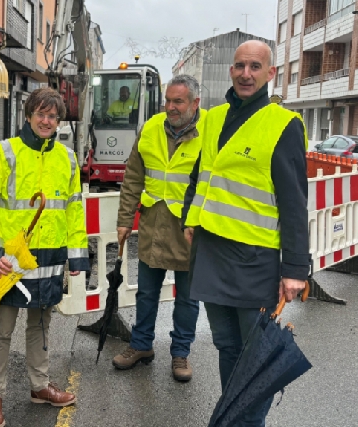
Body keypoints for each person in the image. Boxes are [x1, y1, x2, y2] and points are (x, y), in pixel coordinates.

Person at [182, 40, 309, 426]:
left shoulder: (284, 125)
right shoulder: (214, 118)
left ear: (271, 74)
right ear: (231, 70)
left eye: (255, 66)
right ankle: (232, 415)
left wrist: (295, 269)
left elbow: (294, 202)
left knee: (255, 358)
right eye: (239, 66)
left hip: (256, 261)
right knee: (226, 347)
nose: (246, 74)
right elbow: (200, 174)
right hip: (212, 252)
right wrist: (190, 216)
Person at [0, 87, 89, 427]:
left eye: (53, 116)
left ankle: (40, 387)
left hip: (49, 259)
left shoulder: (66, 157)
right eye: (41, 113)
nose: (46, 120)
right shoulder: (3, 153)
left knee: (40, 325)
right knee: (2, 329)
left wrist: (78, 257)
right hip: (11, 261)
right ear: (27, 115)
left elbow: (73, 209)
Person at [112, 75, 203, 381]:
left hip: (190, 231)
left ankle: (180, 355)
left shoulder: (208, 135)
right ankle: (141, 346)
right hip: (154, 227)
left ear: (195, 103)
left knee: (188, 299)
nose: (171, 107)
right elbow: (133, 178)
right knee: (146, 294)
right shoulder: (151, 128)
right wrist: (125, 219)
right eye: (168, 100)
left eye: (178, 101)